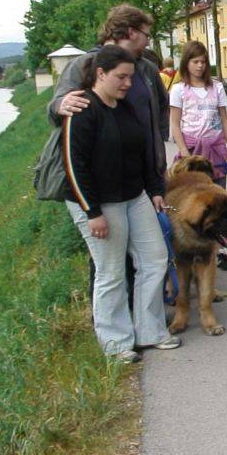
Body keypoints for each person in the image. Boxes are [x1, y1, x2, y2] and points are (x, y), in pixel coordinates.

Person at [62, 45, 181, 363]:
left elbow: (142, 152)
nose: (128, 83)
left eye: (131, 77)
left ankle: (150, 331)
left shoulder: (125, 108)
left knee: (155, 259)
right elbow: (75, 165)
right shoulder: (83, 109)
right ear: (100, 74)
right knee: (111, 271)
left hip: (134, 195)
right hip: (100, 202)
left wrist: (155, 189)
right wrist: (93, 212)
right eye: (122, 77)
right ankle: (115, 343)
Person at [49, 4, 170, 304]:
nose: (148, 41)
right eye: (146, 35)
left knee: (148, 252)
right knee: (110, 262)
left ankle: (143, 319)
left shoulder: (146, 69)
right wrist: (58, 106)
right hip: (102, 179)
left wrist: (157, 158)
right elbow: (58, 107)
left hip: (142, 173)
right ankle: (113, 323)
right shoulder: (84, 65)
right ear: (130, 32)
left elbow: (160, 111)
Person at [170, 40, 227, 271]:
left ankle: (218, 252)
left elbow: (225, 120)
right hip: (192, 150)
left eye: (203, 62)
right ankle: (191, 248)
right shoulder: (179, 89)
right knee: (197, 202)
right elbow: (175, 124)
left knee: (218, 199)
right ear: (186, 63)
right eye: (195, 61)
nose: (199, 66)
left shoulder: (216, 87)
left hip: (216, 148)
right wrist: (184, 153)